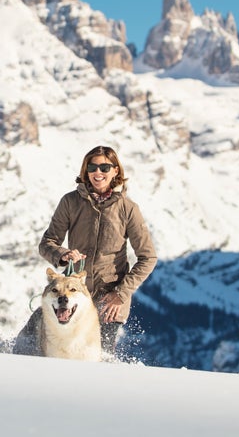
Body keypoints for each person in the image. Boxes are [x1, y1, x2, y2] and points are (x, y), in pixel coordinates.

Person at [39, 145, 157, 357]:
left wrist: (120, 294)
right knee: (32, 343)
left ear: (115, 171)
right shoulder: (70, 202)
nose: (98, 173)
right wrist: (62, 255)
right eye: (92, 167)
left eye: (104, 167)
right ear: (86, 171)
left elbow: (148, 257)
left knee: (96, 358)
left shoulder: (128, 208)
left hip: (109, 302)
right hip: (71, 294)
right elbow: (47, 243)